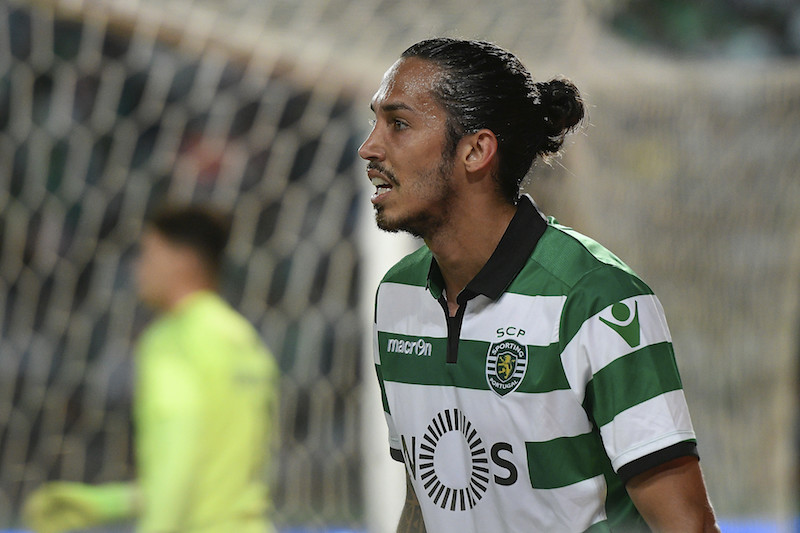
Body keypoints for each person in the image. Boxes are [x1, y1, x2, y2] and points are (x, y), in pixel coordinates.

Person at [360, 37, 719, 532]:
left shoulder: (598, 299)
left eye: (398, 124)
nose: (369, 147)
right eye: (376, 122)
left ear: (476, 151)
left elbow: (687, 525)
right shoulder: (397, 296)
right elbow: (424, 500)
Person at [23, 206, 279, 533]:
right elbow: (218, 478)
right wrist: (106, 504)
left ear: (183, 261)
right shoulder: (246, 341)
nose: (138, 268)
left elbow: (178, 458)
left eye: (148, 254)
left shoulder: (172, 341)